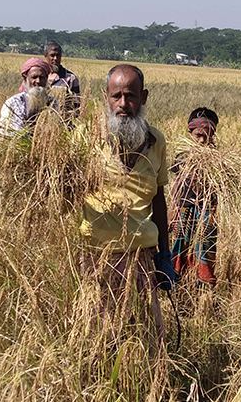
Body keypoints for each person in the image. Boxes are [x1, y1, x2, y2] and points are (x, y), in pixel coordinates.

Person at [79, 64, 178, 346]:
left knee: (149, 338)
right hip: (98, 255)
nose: (123, 104)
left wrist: (165, 253)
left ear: (143, 97)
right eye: (116, 96)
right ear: (105, 97)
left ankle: (150, 388)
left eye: (131, 96)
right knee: (100, 337)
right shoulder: (86, 139)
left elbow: (158, 199)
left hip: (142, 256)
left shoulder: (156, 141)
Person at [169, 108, 220, 285]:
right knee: (180, 243)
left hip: (207, 210)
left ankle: (204, 286)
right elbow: (177, 182)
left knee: (205, 245)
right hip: (184, 207)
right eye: (198, 135)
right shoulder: (182, 155)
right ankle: (177, 283)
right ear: (189, 132)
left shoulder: (217, 158)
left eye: (207, 135)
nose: (202, 140)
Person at [0, 57, 57, 135]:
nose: (38, 81)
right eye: (34, 77)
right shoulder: (13, 103)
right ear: (26, 79)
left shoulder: (53, 104)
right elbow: (2, 133)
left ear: (46, 79)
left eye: (42, 77)